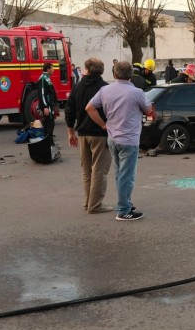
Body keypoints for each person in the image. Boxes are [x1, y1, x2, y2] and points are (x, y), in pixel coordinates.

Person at [86, 61, 152, 221]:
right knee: (127, 176)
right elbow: (149, 110)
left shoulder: (105, 90)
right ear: (131, 75)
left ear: (115, 74)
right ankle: (123, 210)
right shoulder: (137, 92)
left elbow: (89, 108)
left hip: (112, 138)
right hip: (129, 139)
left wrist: (103, 124)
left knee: (119, 174)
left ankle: (125, 203)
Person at [65, 58, 113, 214]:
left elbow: (69, 109)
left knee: (86, 170)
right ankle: (95, 205)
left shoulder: (77, 87)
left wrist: (71, 131)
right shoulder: (105, 88)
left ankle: (88, 202)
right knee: (99, 170)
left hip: (82, 133)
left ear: (87, 69)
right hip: (100, 133)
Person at [37, 62, 60, 145]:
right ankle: (49, 143)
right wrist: (45, 106)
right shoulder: (43, 78)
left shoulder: (47, 78)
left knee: (50, 123)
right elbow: (42, 93)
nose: (53, 70)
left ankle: (49, 142)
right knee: (49, 124)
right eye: (52, 68)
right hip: (47, 106)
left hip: (50, 105)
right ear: (48, 69)